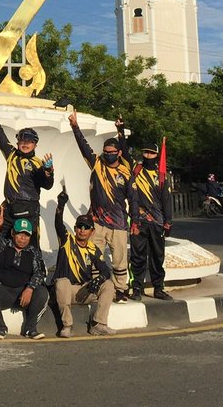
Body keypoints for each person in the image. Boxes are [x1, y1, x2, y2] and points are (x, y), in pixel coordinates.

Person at [63, 100, 133, 301]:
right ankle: (95, 288)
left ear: (119, 153)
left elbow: (133, 198)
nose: (109, 155)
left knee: (119, 260)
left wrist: (135, 219)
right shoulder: (97, 165)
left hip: (119, 222)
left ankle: (120, 289)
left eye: (113, 152)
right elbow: (84, 147)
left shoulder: (126, 170)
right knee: (95, 258)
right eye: (106, 152)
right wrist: (75, 127)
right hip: (97, 223)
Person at [0, 97, 53, 246]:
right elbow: (0, 135)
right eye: (22, 141)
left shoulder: (38, 163)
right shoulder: (11, 154)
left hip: (29, 209)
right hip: (8, 206)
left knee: (30, 245)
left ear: (35, 144)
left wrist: (48, 172)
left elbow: (47, 185)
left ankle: (36, 270)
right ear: (17, 143)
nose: (25, 144)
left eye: (29, 142)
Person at [52, 189, 114, 337]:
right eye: (79, 226)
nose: (82, 230)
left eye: (86, 228)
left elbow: (105, 270)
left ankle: (99, 324)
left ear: (92, 232)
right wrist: (60, 206)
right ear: (75, 228)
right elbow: (58, 224)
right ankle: (67, 326)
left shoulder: (93, 249)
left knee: (109, 284)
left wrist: (99, 279)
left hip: (84, 291)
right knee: (62, 282)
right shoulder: (67, 240)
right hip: (67, 291)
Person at [0, 204, 49, 340]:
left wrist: (30, 288)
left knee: (43, 293)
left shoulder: (33, 251)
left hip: (24, 293)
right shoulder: (4, 246)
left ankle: (30, 329)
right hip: (4, 291)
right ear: (13, 233)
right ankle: (0, 328)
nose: (23, 238)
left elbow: (40, 272)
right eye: (20, 233)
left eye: (26, 235)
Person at [129, 142, 175, 301]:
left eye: (151, 153)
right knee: (137, 256)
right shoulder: (136, 170)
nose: (148, 156)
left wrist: (168, 222)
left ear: (157, 155)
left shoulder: (161, 175)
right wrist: (120, 131)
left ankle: (158, 288)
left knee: (157, 257)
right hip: (138, 221)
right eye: (145, 153)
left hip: (157, 222)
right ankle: (136, 288)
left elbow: (167, 200)